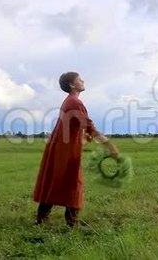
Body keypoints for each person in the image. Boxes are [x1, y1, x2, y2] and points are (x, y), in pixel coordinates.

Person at [33, 72, 119, 227]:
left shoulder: (69, 101)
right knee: (73, 183)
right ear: (72, 85)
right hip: (65, 151)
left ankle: (42, 218)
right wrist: (110, 146)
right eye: (80, 79)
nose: (83, 80)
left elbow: (79, 129)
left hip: (61, 148)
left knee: (57, 181)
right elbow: (90, 128)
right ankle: (71, 222)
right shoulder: (74, 103)